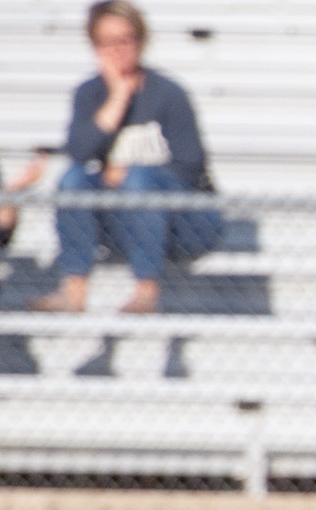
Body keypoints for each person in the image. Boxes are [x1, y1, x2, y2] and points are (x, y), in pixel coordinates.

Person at [30, 1, 217, 315]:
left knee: (138, 178)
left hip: (184, 220)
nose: (116, 50)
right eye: (106, 43)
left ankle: (146, 291)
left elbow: (191, 165)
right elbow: (78, 153)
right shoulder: (89, 94)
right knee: (72, 178)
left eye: (124, 40)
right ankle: (74, 291)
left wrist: (129, 172)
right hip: (121, 219)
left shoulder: (168, 93)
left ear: (141, 40)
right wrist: (117, 98)